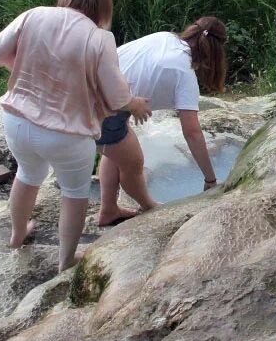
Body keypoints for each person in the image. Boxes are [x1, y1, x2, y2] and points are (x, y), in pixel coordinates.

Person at [0, 0, 151, 272]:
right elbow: (117, 97)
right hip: (67, 135)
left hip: (18, 123)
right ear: (103, 4)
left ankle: (18, 235)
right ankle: (66, 260)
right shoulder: (100, 38)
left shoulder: (33, 16)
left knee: (28, 176)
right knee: (74, 194)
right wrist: (135, 104)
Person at [96, 16, 229, 226]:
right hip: (107, 106)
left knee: (113, 152)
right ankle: (149, 207)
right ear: (216, 51)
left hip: (94, 88)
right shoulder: (184, 74)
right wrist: (210, 180)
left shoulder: (165, 37)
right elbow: (192, 133)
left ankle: (108, 210)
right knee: (133, 162)